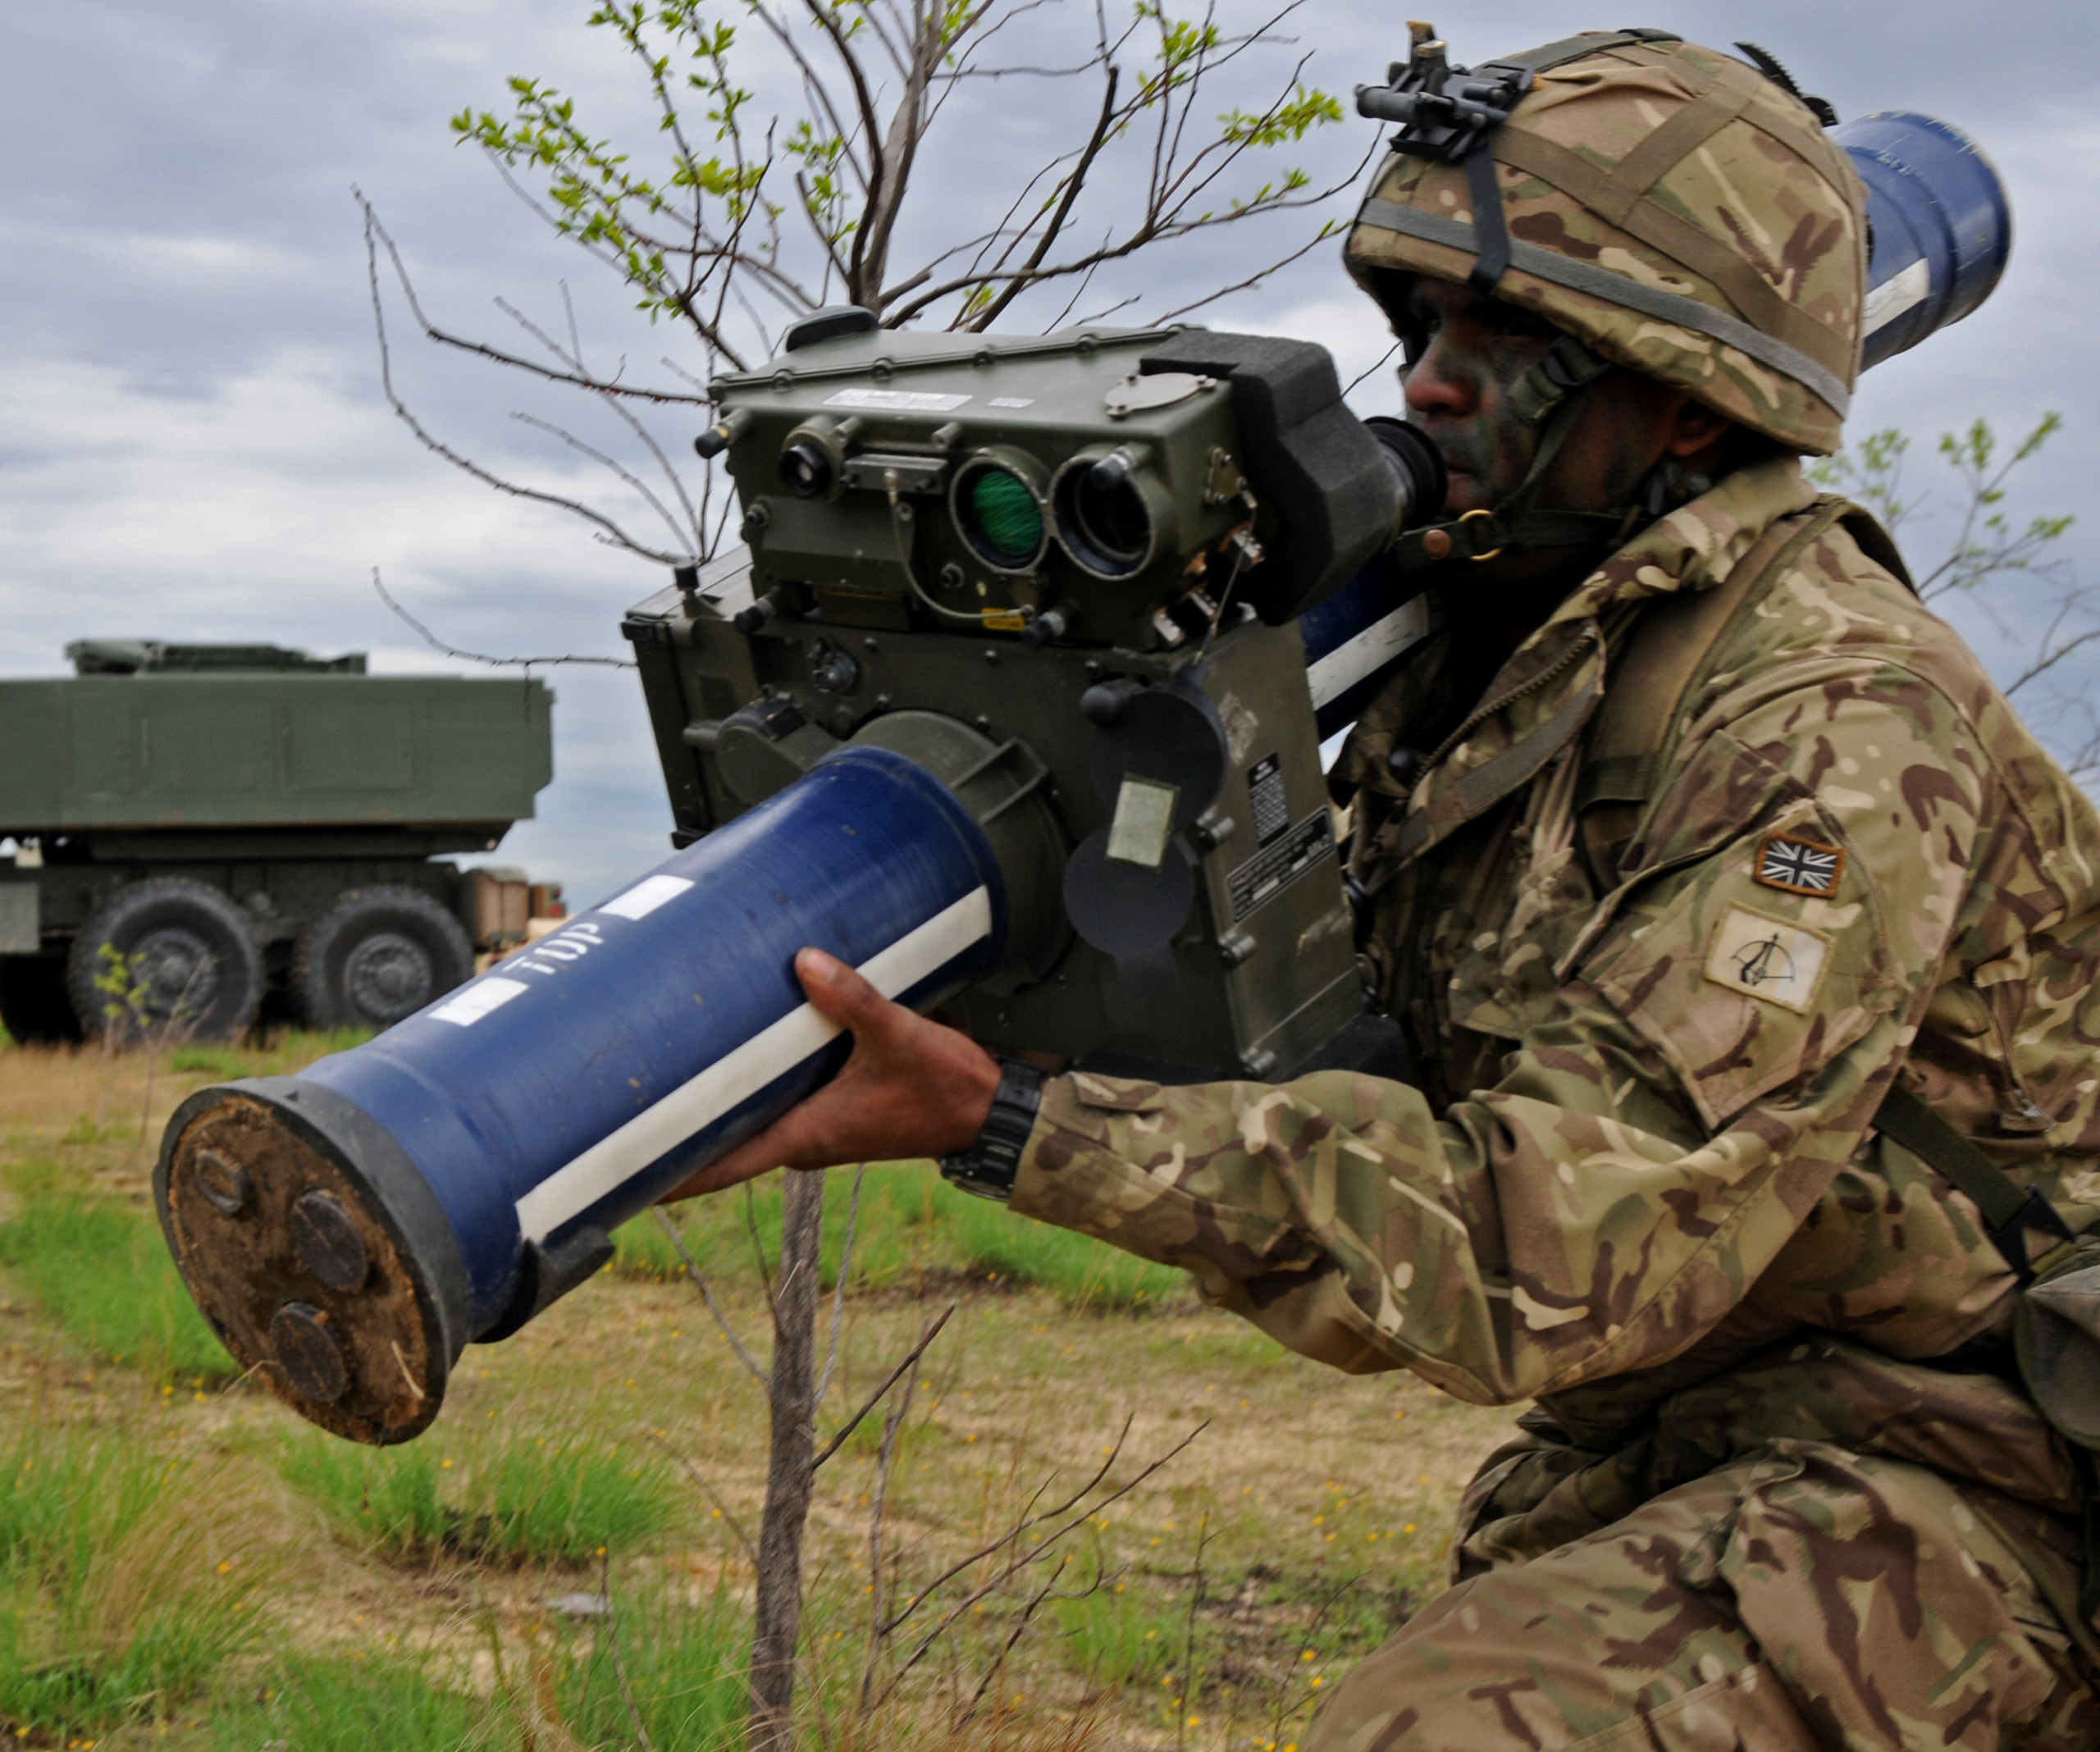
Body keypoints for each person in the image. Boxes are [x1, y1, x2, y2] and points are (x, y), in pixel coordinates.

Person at [672, 27, 2100, 1748]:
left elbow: (1561, 1251)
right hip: (1715, 1430)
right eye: (1422, 324)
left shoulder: (1833, 721)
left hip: (1989, 1463)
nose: (1429, 381)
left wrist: (1011, 1120)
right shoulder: (1500, 652)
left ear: (1684, 390)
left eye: (1516, 336)